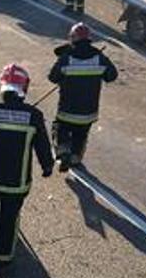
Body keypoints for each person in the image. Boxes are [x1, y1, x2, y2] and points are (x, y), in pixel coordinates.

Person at [0, 63, 54, 271]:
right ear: (24, 88)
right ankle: (4, 260)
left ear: (1, 87)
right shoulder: (33, 115)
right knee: (9, 220)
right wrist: (47, 166)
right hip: (17, 184)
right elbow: (43, 145)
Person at [48, 22, 117, 172]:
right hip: (88, 112)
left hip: (66, 111)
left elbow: (52, 77)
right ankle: (75, 157)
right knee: (81, 134)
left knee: (60, 129)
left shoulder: (67, 58)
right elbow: (112, 76)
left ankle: (63, 152)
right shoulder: (99, 58)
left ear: (73, 38)